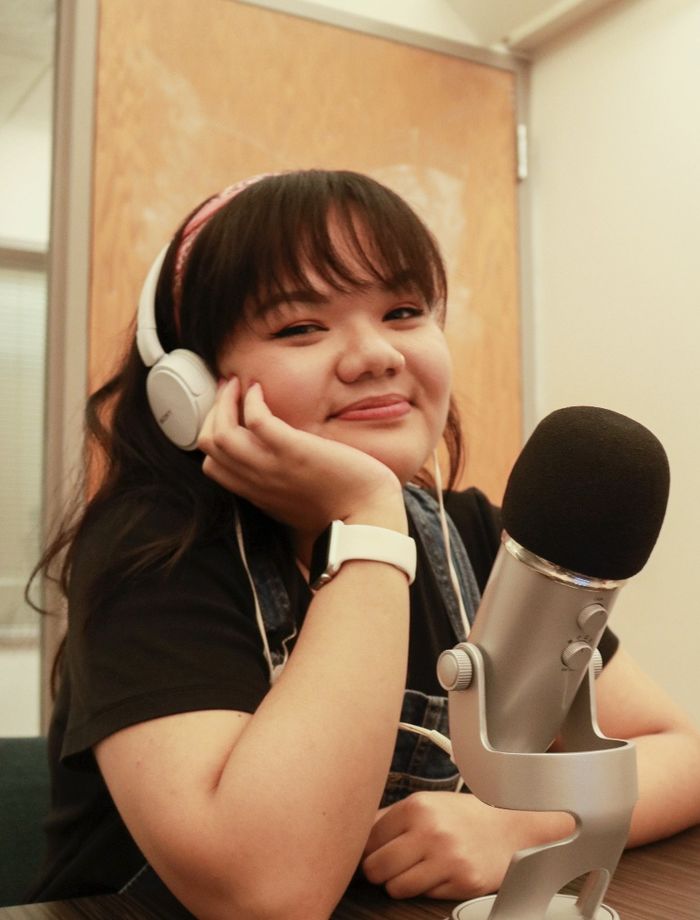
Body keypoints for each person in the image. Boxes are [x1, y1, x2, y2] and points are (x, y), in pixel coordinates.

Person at [29, 170, 700, 920]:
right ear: (189, 386)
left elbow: (677, 749)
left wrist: (524, 825)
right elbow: (266, 893)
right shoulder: (152, 553)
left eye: (404, 310)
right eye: (299, 327)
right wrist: (369, 520)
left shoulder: (474, 537)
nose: (376, 354)